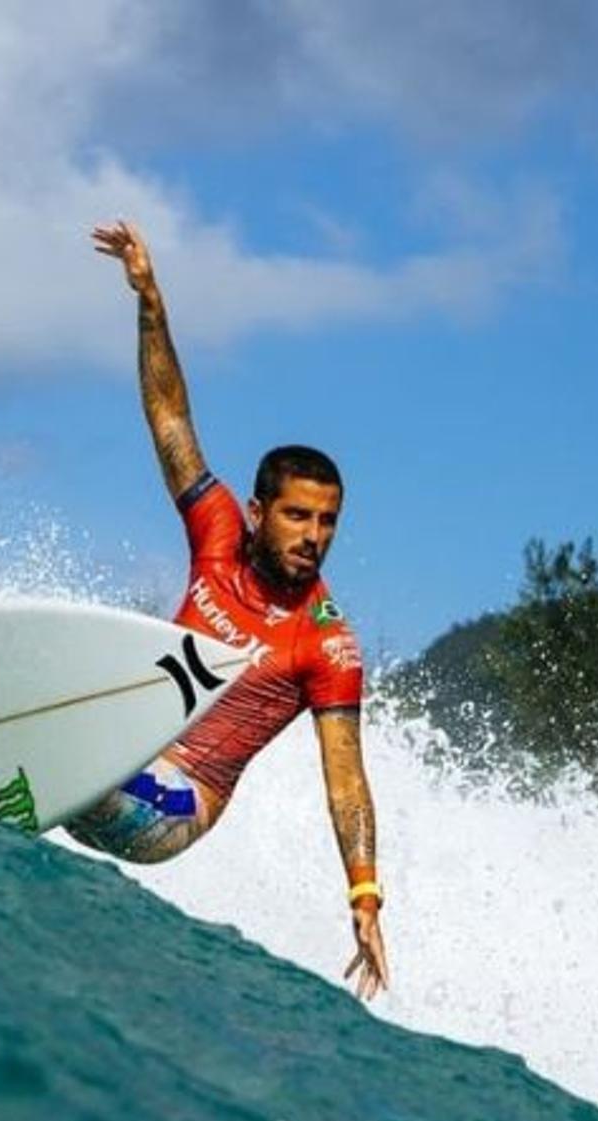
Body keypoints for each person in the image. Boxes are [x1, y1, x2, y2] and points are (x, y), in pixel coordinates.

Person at [71, 220, 390, 1000]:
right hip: (123, 738)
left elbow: (345, 780)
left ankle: (58, 761)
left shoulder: (328, 646)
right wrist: (149, 299)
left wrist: (364, 896)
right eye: (298, 517)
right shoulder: (215, 532)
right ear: (257, 512)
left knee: (98, 767)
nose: (314, 537)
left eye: (327, 523)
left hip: (175, 803)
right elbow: (170, 418)